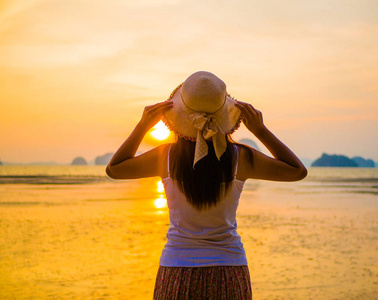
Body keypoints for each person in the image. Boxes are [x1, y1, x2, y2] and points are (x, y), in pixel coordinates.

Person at [106, 71, 307, 300]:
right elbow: (297, 171)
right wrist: (260, 130)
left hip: (176, 271)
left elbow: (115, 168)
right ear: (225, 115)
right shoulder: (241, 158)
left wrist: (143, 126)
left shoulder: (166, 157)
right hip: (229, 270)